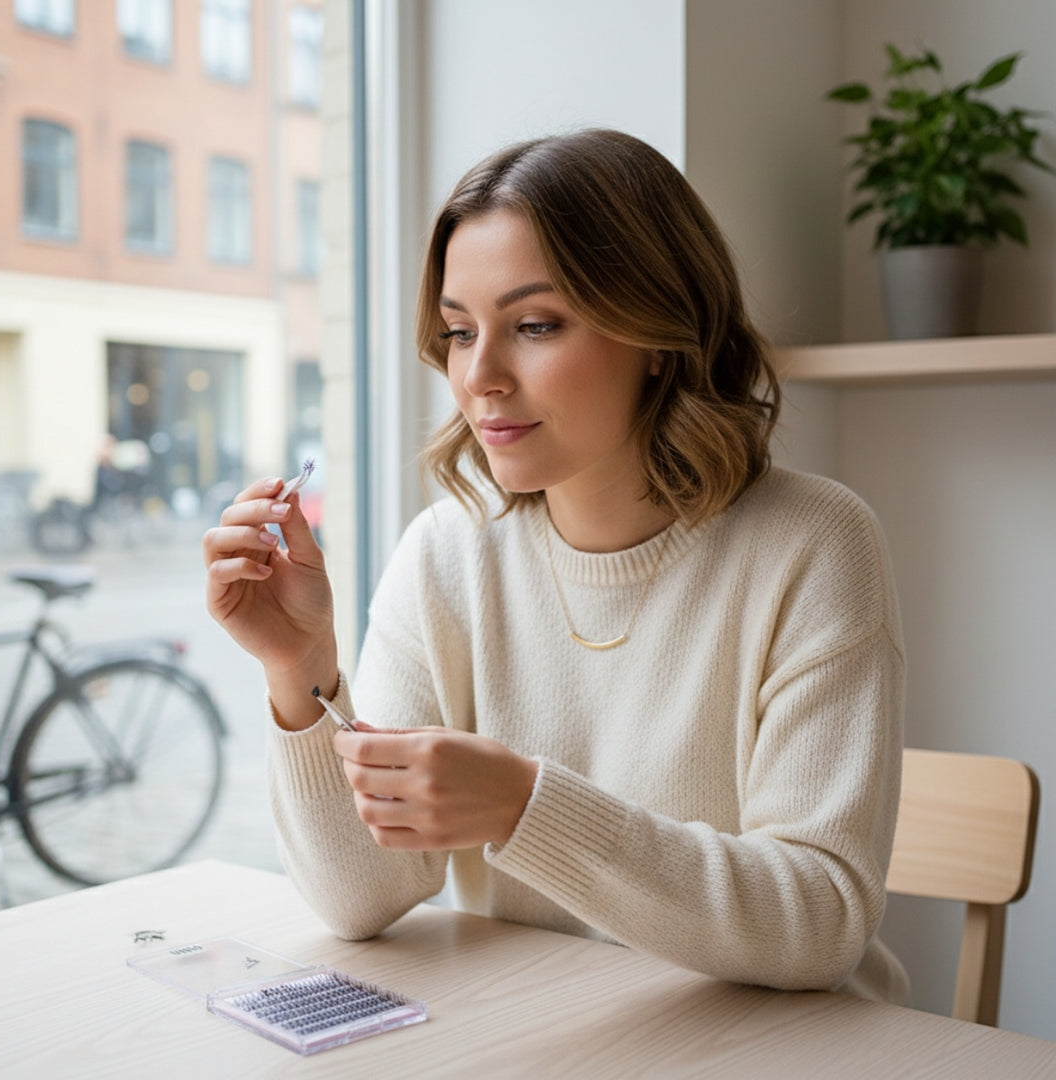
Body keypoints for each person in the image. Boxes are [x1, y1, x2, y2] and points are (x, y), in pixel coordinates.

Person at [203, 129, 909, 1003]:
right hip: (562, 1037)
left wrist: (524, 807)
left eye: (535, 325)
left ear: (660, 331)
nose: (481, 377)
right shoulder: (447, 554)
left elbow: (820, 922)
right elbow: (362, 897)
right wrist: (301, 670)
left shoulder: (812, 543)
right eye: (461, 332)